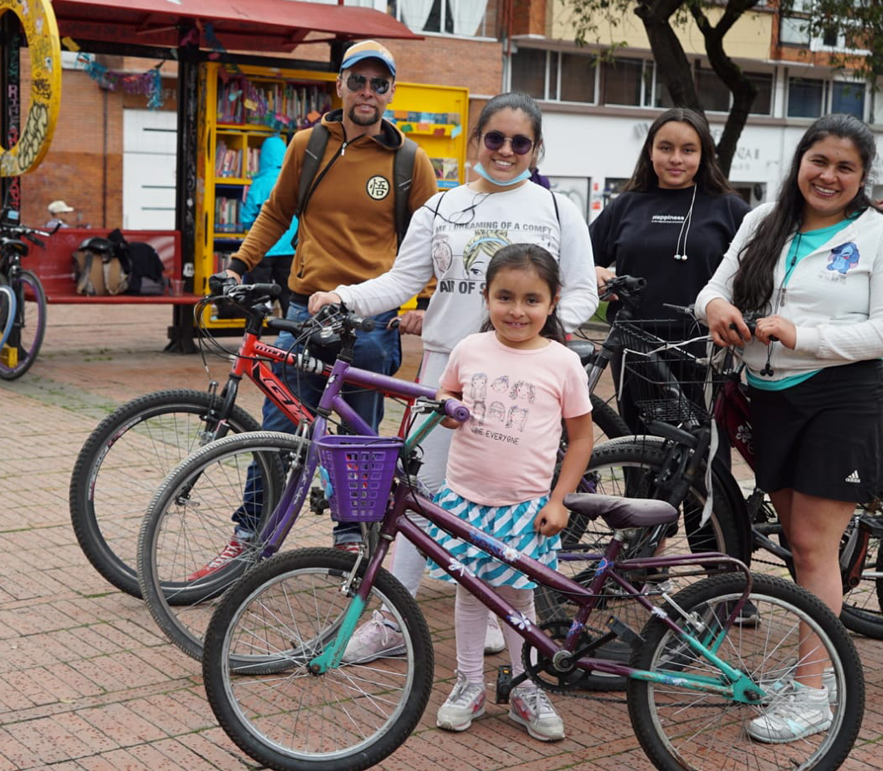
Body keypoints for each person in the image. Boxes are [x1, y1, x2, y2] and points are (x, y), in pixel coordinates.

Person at [308, 91, 597, 661]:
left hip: (522, 380)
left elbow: (582, 290)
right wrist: (341, 296)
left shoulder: (559, 209)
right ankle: (394, 620)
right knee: (421, 495)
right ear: (476, 142)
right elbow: (400, 283)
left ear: (536, 149)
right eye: (495, 139)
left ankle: (499, 611)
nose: (506, 151)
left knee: (508, 499)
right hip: (447, 371)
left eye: (520, 142)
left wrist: (538, 341)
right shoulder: (439, 208)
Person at [696, 113, 883, 743]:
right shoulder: (764, 221)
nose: (830, 176)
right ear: (800, 162)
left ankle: (813, 692)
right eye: (820, 161)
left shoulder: (882, 237)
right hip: (765, 395)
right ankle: (815, 665)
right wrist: (718, 308)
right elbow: (714, 287)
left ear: (863, 176)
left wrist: (803, 335)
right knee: (798, 544)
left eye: (846, 167)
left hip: (839, 398)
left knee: (815, 548)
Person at [195, 39, 439, 571]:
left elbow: (435, 242)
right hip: (304, 310)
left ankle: (351, 535)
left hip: (370, 318)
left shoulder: (408, 161)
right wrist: (237, 266)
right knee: (276, 428)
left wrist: (428, 304)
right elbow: (275, 213)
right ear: (340, 85)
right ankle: (250, 533)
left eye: (379, 83)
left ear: (391, 92)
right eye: (358, 80)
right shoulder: (308, 145)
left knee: (358, 435)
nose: (367, 92)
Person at [425, 243, 593, 742]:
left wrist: (559, 499)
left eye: (531, 300)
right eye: (504, 297)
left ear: (553, 301)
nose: (517, 311)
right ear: (486, 296)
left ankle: (525, 686)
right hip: (465, 498)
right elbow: (447, 392)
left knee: (519, 599)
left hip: (525, 506)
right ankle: (469, 684)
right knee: (471, 595)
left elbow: (581, 437)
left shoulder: (562, 363)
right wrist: (444, 404)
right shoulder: (468, 349)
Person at [590, 107, 751, 563]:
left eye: (687, 149)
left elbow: (758, 270)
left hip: (702, 350)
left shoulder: (729, 209)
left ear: (704, 155)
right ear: (650, 152)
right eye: (665, 148)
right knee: (643, 453)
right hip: (635, 347)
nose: (675, 159)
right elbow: (585, 257)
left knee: (707, 462)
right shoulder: (626, 205)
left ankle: (718, 567)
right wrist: (599, 271)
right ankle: (645, 556)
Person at [239, 135, 297, 316]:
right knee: (288, 294)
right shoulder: (294, 178)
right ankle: (291, 333)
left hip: (263, 248)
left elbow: (247, 217)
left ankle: (255, 332)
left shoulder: (259, 183)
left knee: (259, 293)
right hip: (290, 249)